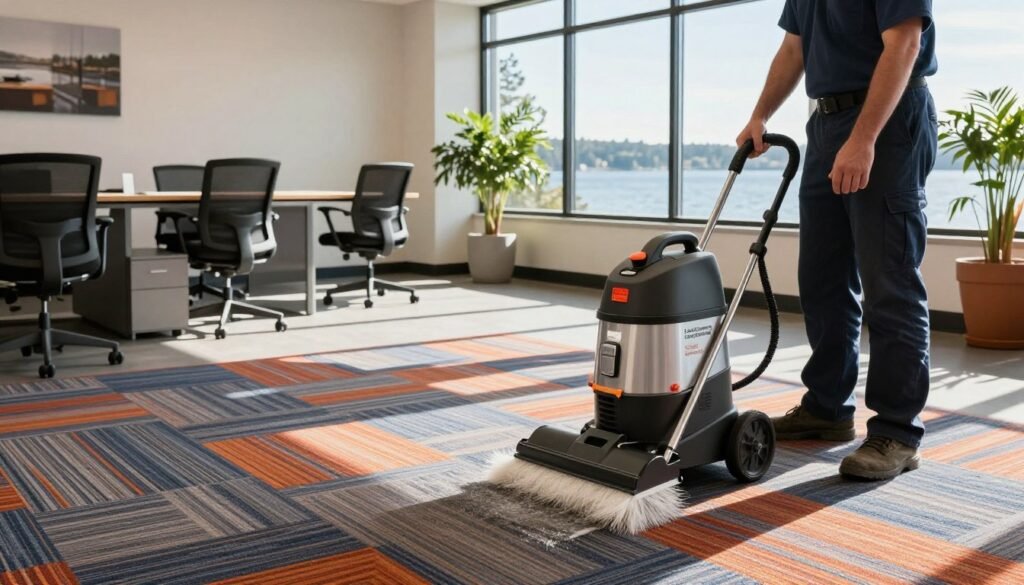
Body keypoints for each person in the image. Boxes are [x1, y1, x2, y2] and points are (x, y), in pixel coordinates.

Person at [737, 0, 938, 480]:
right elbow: (793, 49)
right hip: (825, 124)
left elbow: (905, 42)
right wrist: (760, 114)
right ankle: (828, 407)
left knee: (889, 279)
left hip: (888, 120)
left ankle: (897, 431)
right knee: (822, 278)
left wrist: (864, 138)